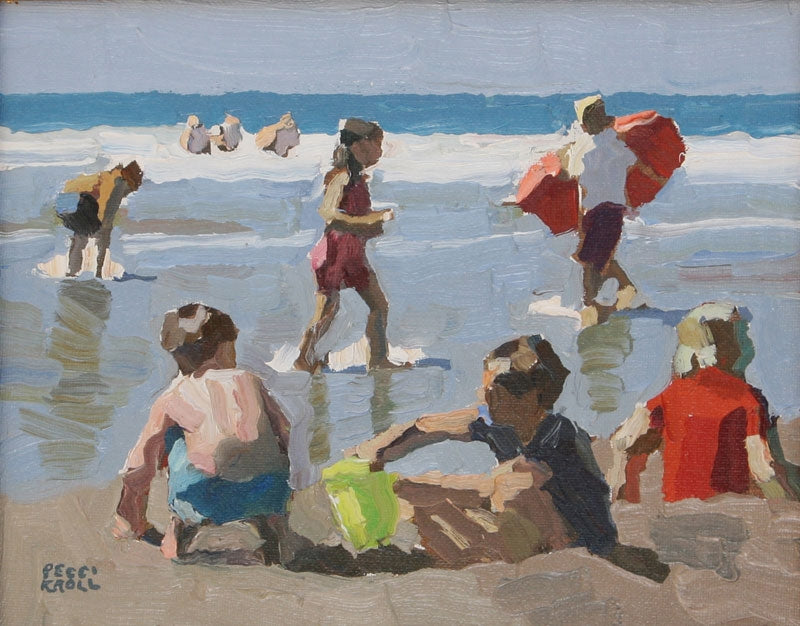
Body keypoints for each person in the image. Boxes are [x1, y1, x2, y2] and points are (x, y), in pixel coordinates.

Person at [347, 336, 668, 580]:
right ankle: (446, 558)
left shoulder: (561, 436)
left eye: (495, 393)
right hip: (534, 530)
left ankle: (468, 558)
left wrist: (424, 487)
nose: (486, 400)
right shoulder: (502, 426)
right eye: (487, 391)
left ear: (531, 396)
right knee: (430, 511)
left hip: (578, 540)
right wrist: (379, 455)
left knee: (515, 480)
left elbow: (494, 490)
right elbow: (431, 427)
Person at [112, 304, 292, 560]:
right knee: (270, 446)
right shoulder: (249, 381)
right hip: (266, 494)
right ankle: (273, 526)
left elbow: (140, 465)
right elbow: (287, 435)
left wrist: (132, 517)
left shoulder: (175, 395)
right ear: (222, 347)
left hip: (204, 499)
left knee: (175, 439)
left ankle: (180, 530)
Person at [608, 302, 793, 504]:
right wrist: (785, 490)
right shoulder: (747, 397)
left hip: (678, 505)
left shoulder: (669, 393)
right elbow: (761, 470)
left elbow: (623, 439)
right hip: (729, 505)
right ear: (730, 347)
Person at [294, 118, 399, 372]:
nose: (381, 150)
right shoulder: (342, 177)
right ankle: (304, 359)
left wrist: (370, 225)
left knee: (378, 306)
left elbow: (354, 217)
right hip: (335, 253)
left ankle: (378, 360)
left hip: (352, 254)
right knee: (328, 310)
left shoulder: (358, 179)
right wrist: (369, 220)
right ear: (360, 145)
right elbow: (328, 212)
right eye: (377, 144)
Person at [568, 95, 640, 327]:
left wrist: (581, 217)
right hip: (610, 210)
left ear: (586, 126)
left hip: (599, 211)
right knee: (599, 260)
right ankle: (626, 292)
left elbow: (582, 186)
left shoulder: (588, 150)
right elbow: (628, 167)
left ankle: (593, 308)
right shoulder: (618, 147)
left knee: (592, 263)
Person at [61, 161, 143, 278]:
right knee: (97, 245)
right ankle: (97, 272)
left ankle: (73, 272)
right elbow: (109, 204)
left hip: (87, 215)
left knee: (79, 242)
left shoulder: (106, 176)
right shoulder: (120, 183)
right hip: (99, 219)